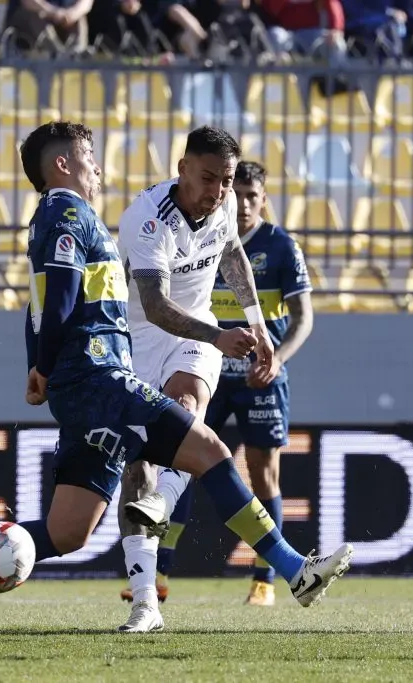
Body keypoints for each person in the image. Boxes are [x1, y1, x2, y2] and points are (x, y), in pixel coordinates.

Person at [0, 120, 352, 639]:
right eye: (88, 157)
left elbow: (42, 302)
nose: (98, 166)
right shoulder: (88, 214)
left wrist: (39, 364)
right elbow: (74, 300)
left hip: (99, 376)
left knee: (68, 532)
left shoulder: (63, 214)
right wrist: (47, 366)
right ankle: (290, 569)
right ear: (183, 169)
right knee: (204, 449)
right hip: (108, 368)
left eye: (226, 180)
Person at [112, 126, 276, 632]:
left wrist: (255, 321)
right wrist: (220, 334)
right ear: (182, 168)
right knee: (138, 465)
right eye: (208, 178)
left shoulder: (222, 202)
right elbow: (157, 307)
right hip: (137, 336)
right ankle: (145, 602)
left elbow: (230, 253)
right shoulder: (146, 219)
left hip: (193, 337)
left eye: (226, 180)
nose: (219, 191)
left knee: (184, 413)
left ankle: (163, 500)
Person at [142, 160, 315, 608]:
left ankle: (264, 579)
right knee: (183, 461)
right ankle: (158, 571)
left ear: (264, 198)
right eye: (236, 194)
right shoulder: (205, 234)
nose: (242, 205)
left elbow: (303, 318)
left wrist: (277, 357)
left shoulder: (281, 247)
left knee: (263, 475)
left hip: (260, 378)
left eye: (252, 197)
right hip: (209, 368)